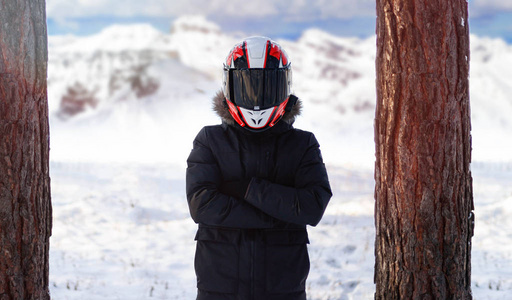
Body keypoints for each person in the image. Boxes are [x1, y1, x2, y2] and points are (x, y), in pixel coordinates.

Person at [186, 36, 332, 300]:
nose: (255, 98)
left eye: (266, 87)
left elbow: (313, 206)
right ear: (229, 85)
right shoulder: (209, 140)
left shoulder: (302, 144)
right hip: (220, 288)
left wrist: (247, 189)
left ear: (284, 86)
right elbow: (201, 206)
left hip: (281, 288)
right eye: (247, 87)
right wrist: (280, 214)